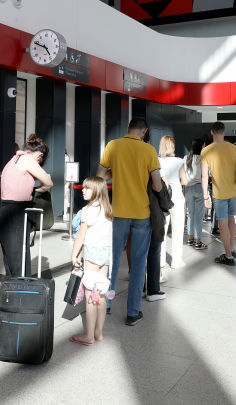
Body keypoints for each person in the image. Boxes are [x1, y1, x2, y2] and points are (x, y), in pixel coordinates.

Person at [97, 117, 164, 326]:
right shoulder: (149, 150)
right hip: (142, 214)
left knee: (113, 260)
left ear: (128, 129)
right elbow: (157, 186)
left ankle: (107, 303)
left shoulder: (113, 146)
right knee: (138, 263)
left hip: (118, 213)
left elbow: (100, 177)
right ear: (144, 131)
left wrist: (116, 172)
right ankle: (133, 312)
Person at [0, 134, 53, 277]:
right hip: (17, 215)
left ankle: (12, 290)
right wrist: (37, 190)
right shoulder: (28, 159)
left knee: (11, 261)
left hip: (5, 213)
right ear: (39, 155)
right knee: (20, 262)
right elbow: (48, 182)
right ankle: (22, 290)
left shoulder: (13, 159)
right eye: (40, 161)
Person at [69, 176, 114, 346]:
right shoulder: (107, 209)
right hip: (106, 254)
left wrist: (74, 255)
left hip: (93, 253)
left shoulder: (88, 210)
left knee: (90, 293)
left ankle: (88, 335)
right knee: (100, 294)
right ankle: (98, 333)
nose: (83, 190)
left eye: (87, 188)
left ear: (96, 190)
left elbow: (81, 236)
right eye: (83, 187)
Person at [200, 121, 236, 265]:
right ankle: (232, 249)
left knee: (222, 223)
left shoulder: (206, 151)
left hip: (219, 192)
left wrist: (205, 196)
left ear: (212, 132)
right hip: (235, 190)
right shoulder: (234, 148)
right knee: (231, 219)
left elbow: (204, 176)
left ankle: (228, 256)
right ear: (224, 132)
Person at [158, 135, 188, 271]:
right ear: (173, 146)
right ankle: (176, 261)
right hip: (176, 197)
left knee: (162, 231)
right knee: (178, 230)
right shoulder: (179, 161)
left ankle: (160, 261)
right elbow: (184, 181)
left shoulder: (157, 160)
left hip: (162, 198)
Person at [183, 138, 207, 250]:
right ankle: (198, 242)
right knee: (199, 216)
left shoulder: (186, 158)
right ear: (201, 147)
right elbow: (206, 175)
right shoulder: (203, 158)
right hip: (199, 187)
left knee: (190, 214)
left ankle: (190, 239)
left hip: (188, 188)